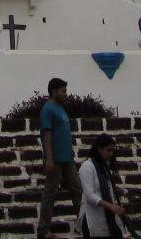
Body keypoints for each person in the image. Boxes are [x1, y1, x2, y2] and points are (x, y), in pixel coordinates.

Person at [37, 77, 82, 239]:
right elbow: (46, 135)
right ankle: (43, 230)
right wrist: (49, 158)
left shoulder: (61, 109)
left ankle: (82, 224)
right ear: (54, 91)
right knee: (50, 192)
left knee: (77, 190)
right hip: (54, 159)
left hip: (67, 158)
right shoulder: (48, 109)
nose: (65, 94)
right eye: (62, 91)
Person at [79, 133, 127, 238]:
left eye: (112, 151)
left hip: (107, 218)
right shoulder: (87, 166)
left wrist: (113, 207)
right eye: (108, 150)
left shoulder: (104, 168)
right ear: (99, 149)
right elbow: (89, 196)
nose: (111, 154)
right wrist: (111, 206)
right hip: (92, 218)